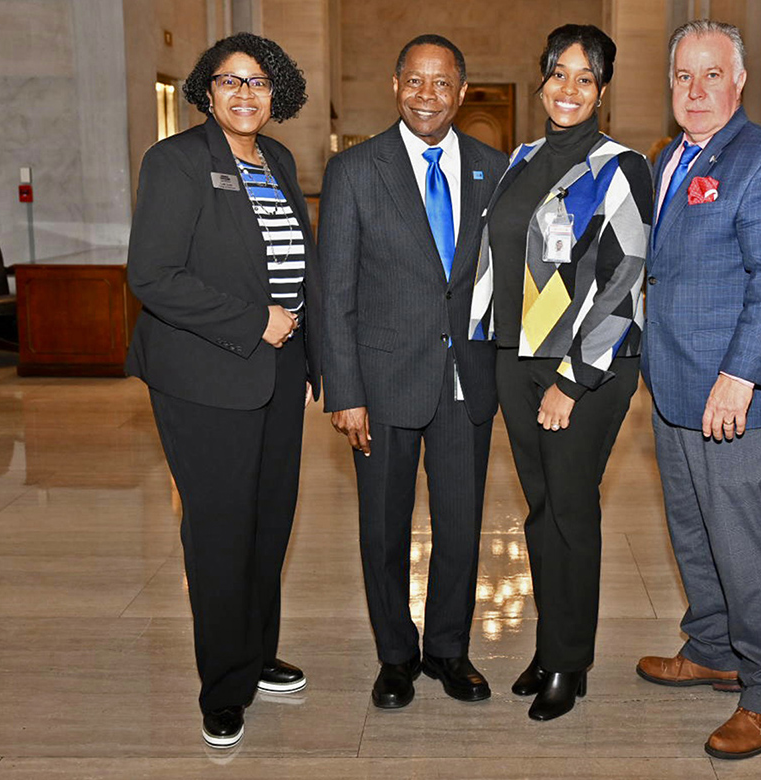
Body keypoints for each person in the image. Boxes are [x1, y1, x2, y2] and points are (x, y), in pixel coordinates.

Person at [125, 32, 320, 749]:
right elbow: (153, 276)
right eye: (230, 80)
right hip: (205, 375)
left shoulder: (278, 160)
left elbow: (297, 264)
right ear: (206, 91)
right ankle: (224, 685)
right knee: (219, 530)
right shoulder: (176, 161)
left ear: (277, 94)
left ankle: (257, 652)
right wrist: (253, 321)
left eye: (258, 82)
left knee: (269, 522)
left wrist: (310, 354)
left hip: (278, 371)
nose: (245, 94)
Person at [636, 20, 761, 759]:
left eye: (712, 74)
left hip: (734, 395)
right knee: (694, 531)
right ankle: (714, 646)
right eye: (684, 75)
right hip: (675, 385)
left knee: (746, 544)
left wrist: (740, 377)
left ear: (740, 80)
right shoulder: (667, 158)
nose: (696, 89)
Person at [469, 24, 653, 722]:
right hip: (517, 357)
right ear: (541, 80)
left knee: (571, 511)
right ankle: (550, 647)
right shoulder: (520, 159)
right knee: (542, 510)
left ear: (602, 90)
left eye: (585, 77)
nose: (568, 88)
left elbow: (624, 280)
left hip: (585, 370)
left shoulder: (621, 166)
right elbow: (499, 257)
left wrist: (572, 381)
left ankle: (569, 664)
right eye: (557, 74)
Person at [318, 35, 508, 710]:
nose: (427, 95)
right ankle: (395, 656)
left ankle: (449, 650)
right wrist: (344, 391)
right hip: (382, 383)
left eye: (442, 83)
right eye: (415, 81)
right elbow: (334, 291)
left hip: (466, 380)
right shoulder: (355, 170)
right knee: (383, 529)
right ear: (396, 85)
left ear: (462, 92)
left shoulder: (494, 169)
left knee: (461, 526)